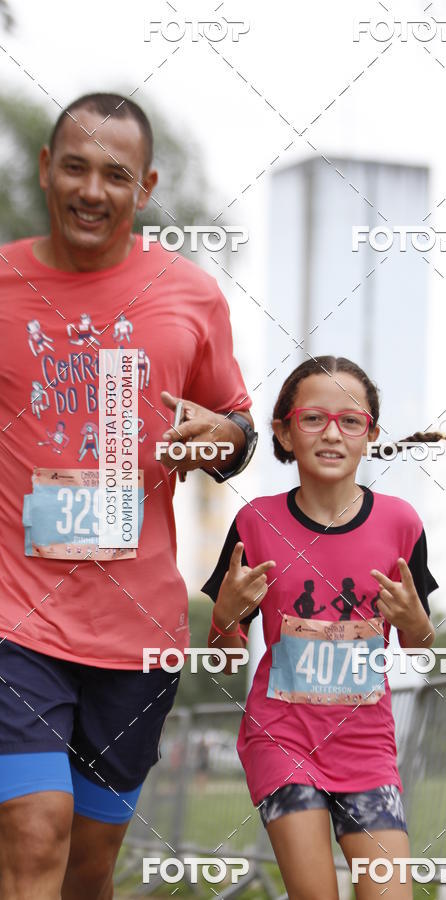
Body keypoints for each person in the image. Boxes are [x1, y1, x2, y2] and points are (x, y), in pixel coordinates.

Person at [0, 92, 257, 900]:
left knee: (87, 865)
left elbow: (240, 427)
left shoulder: (190, 294)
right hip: (15, 617)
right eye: (73, 166)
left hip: (135, 635)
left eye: (115, 174)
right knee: (34, 835)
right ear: (46, 171)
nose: (91, 189)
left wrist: (225, 440)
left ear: (144, 189)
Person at [203, 356, 446, 900]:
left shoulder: (401, 523)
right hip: (283, 738)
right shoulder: (256, 523)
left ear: (370, 435)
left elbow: (420, 646)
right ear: (283, 431)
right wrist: (226, 616)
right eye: (313, 418)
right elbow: (225, 657)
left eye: (351, 421)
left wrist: (416, 625)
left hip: (366, 746)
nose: (332, 433)